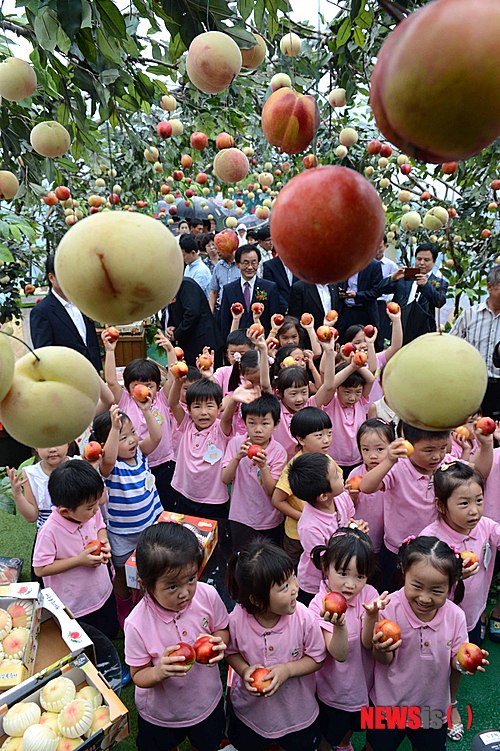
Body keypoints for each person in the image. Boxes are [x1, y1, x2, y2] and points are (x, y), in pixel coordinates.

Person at [364, 536, 488, 751]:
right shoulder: (388, 608)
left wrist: (464, 665)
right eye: (417, 586)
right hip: (387, 706)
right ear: (404, 573)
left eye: (437, 590)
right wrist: (381, 649)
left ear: (452, 584)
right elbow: (383, 660)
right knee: (377, 746)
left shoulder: (456, 616)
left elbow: (455, 662)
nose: (425, 597)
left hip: (432, 708)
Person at [124, 523, 228, 751]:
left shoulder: (207, 595)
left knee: (207, 743)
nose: (185, 592)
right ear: (146, 585)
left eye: (191, 579)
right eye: (172, 587)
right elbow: (139, 675)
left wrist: (220, 643)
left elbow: (222, 628)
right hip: (161, 715)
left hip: (205, 702)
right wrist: (160, 671)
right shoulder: (137, 623)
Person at [359, 422, 493, 591]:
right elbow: (366, 486)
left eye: (443, 448)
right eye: (428, 450)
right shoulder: (398, 467)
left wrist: (487, 445)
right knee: (392, 591)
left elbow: (478, 473)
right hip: (397, 549)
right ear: (408, 443)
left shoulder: (447, 466)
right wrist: (389, 460)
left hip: (433, 551)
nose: (437, 456)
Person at [419, 462, 500, 742]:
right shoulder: (431, 539)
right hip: (434, 621)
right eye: (464, 503)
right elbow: (418, 583)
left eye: (479, 500)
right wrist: (452, 574)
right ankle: (421, 709)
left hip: (470, 615)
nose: (474, 510)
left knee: (458, 665)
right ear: (441, 506)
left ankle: (450, 704)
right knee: (431, 666)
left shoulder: (485, 527)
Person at [225, 540, 326, 751]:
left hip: (296, 714)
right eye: (284, 587)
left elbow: (317, 658)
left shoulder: (303, 618)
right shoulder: (237, 620)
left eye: (293, 577)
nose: (295, 589)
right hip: (250, 713)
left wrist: (288, 670)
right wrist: (244, 671)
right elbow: (231, 652)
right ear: (258, 601)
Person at [92, 404, 163, 628]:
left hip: (150, 525)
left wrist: (147, 411)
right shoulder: (110, 467)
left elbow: (157, 437)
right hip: (122, 533)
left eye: (132, 433)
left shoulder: (140, 453)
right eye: (123, 437)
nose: (132, 440)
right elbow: (110, 458)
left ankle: (145, 603)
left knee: (147, 569)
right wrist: (114, 428)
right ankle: (123, 605)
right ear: (107, 444)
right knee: (122, 572)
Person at [309, 528, 380, 751]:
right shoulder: (318, 605)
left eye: (360, 576)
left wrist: (371, 616)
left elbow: (368, 643)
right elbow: (338, 654)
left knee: (352, 724)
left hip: (361, 685)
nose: (351, 584)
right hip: (333, 691)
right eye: (342, 573)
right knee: (328, 729)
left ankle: (343, 743)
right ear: (325, 568)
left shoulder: (369, 595)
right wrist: (339, 625)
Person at [32, 461, 118, 640]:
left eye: (96, 504)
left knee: (107, 631)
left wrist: (103, 542)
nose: (96, 510)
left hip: (102, 591)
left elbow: (100, 527)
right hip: (74, 605)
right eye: (90, 507)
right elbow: (40, 568)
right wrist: (79, 560)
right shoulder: (50, 531)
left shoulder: (90, 513)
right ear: (65, 512)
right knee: (85, 643)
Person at [168, 375, 259, 521]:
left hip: (213, 501)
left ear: (219, 407)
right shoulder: (187, 424)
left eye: (209, 406)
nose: (203, 412)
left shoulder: (220, 430)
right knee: (186, 537)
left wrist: (234, 400)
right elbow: (173, 404)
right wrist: (177, 382)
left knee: (214, 539)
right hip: (184, 494)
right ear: (189, 410)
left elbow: (227, 418)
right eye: (197, 406)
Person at [102, 333, 176, 509]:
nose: (143, 389)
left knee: (166, 505)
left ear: (158, 385)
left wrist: (170, 350)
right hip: (136, 466)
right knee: (142, 503)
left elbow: (173, 376)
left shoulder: (161, 399)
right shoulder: (125, 400)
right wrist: (110, 351)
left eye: (149, 385)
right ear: (127, 387)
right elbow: (111, 381)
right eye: (136, 385)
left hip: (164, 463)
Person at [288, 452, 356, 604]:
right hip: (316, 583)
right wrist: (351, 537)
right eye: (336, 476)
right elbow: (324, 561)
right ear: (323, 496)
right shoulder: (309, 527)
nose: (341, 473)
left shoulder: (341, 497)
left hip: (342, 572)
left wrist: (355, 527)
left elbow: (350, 516)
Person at [222, 394, 287, 551]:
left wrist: (263, 467)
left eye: (265, 423)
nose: (258, 429)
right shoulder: (236, 443)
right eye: (252, 423)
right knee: (242, 559)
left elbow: (271, 491)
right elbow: (225, 478)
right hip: (240, 518)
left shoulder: (279, 452)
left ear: (276, 424)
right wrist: (237, 457)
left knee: (265, 563)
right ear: (244, 423)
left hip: (269, 520)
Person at [272, 407, 333, 568]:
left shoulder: (327, 461)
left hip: (323, 532)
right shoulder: (296, 467)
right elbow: (277, 500)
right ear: (301, 439)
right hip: (296, 535)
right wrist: (304, 517)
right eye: (319, 436)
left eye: (329, 433)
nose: (326, 440)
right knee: (295, 569)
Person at [263, 338, 336, 459]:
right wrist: (263, 351)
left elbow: (328, 385)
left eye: (304, 392)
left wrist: (329, 352)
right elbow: (265, 384)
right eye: (293, 394)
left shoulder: (311, 404)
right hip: (280, 465)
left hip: (308, 464)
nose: (299, 399)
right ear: (279, 393)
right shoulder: (276, 409)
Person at [30, 254, 102, 372]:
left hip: (92, 373)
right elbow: (44, 354)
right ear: (51, 277)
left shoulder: (82, 302)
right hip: (67, 376)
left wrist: (98, 367)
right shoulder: (42, 312)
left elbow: (90, 340)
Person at [450, 265, 500, 419]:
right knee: (470, 429)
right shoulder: (470, 315)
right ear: (490, 287)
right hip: (472, 385)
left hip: (498, 385)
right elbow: (451, 345)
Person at [376, 243, 448, 344]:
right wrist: (392, 278)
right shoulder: (403, 278)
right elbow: (378, 290)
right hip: (398, 328)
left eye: (426, 260)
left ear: (434, 261)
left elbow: (439, 302)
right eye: (419, 259)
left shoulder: (439, 282)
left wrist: (426, 285)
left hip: (423, 331)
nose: (421, 263)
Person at [346, 418, 397, 555]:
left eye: (380, 449)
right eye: (366, 449)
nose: (372, 455)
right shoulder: (355, 474)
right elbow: (347, 509)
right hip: (363, 535)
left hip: (388, 538)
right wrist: (353, 497)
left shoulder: (395, 473)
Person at [324, 358, 375, 477]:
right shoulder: (331, 401)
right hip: (335, 460)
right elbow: (331, 384)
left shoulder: (361, 401)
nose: (352, 398)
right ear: (338, 389)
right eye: (347, 392)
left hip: (358, 459)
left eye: (357, 392)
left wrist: (358, 365)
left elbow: (371, 379)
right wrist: (351, 367)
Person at [218, 245, 280, 341]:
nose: (250, 267)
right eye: (245, 263)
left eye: (254, 262)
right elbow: (224, 322)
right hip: (238, 344)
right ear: (238, 264)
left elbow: (274, 319)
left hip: (262, 341)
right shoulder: (229, 289)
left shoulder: (269, 288)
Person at [166, 277, 223, 366]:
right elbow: (174, 311)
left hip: (202, 343)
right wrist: (171, 327)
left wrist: (176, 334)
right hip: (189, 344)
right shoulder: (172, 287)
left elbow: (192, 313)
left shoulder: (186, 285)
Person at [337, 258, 383, 337]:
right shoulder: (341, 264)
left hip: (364, 311)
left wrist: (357, 295)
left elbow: (377, 291)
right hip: (345, 311)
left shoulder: (373, 265)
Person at [374, 236, 399, 349]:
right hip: (367, 301)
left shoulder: (391, 266)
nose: (377, 250)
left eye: (379, 247)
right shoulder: (364, 264)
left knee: (380, 334)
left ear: (385, 246)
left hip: (382, 304)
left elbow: (394, 286)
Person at [213, 329, 254, 395]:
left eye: (242, 354)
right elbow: (213, 391)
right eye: (233, 354)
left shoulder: (257, 374)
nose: (237, 358)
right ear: (227, 354)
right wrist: (208, 376)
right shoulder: (222, 372)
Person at [209, 237, 240, 313]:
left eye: (220, 248)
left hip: (239, 310)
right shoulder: (218, 266)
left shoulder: (242, 265)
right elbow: (213, 291)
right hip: (222, 310)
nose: (217, 251)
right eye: (216, 248)